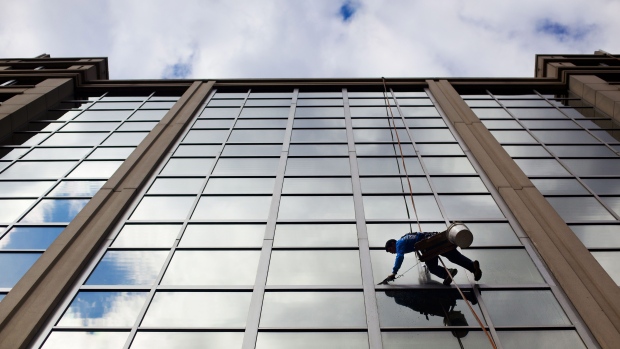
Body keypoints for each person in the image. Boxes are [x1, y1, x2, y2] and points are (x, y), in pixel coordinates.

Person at [385, 232, 482, 285]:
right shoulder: (406, 238)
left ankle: (447, 273)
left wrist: (394, 272)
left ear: (393, 243)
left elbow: (400, 256)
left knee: (432, 267)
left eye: (391, 250)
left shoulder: (399, 243)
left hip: (426, 245)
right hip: (434, 239)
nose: (393, 252)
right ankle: (472, 266)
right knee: (453, 256)